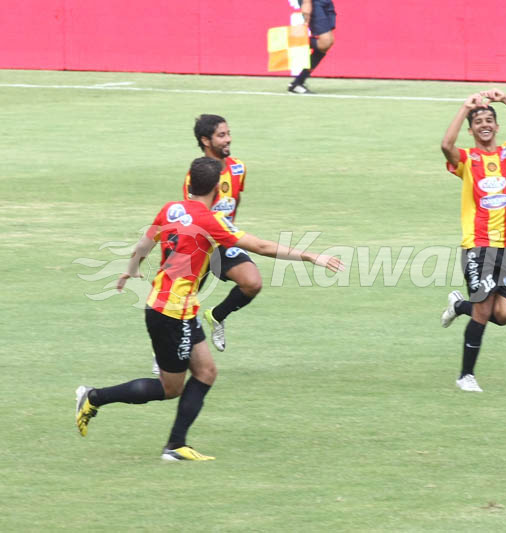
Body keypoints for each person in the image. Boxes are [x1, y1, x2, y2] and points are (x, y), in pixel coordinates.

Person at [76, 156, 345, 460]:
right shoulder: (212, 221)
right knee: (169, 387)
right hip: (170, 313)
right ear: (217, 189)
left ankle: (175, 446)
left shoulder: (171, 209)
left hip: (178, 308)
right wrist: (310, 256)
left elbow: (145, 242)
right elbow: (262, 247)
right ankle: (94, 397)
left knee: (206, 372)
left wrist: (131, 267)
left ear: (189, 182)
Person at [439, 89, 506, 392]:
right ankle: (465, 376)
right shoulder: (467, 160)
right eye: (478, 121)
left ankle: (460, 306)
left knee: (504, 314)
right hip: (478, 246)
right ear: (471, 130)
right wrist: (464, 106)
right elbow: (446, 145)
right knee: (484, 310)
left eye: (488, 120)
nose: (484, 125)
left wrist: (505, 99)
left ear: (496, 126)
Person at [150, 114, 255, 378]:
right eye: (222, 135)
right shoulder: (197, 176)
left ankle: (217, 316)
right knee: (180, 302)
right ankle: (162, 352)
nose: (229, 138)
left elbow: (235, 201)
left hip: (222, 238)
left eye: (229, 133)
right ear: (205, 140)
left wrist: (230, 231)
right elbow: (195, 214)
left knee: (252, 282)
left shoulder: (238, 168)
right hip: (201, 245)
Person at [287, 0, 336, 94]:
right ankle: (291, 41)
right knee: (325, 42)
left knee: (326, 44)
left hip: (325, 2)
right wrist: (306, 8)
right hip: (314, 3)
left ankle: (297, 83)